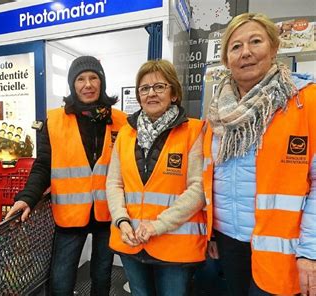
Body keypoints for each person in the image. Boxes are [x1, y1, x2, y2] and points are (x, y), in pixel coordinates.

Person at [203, 13, 316, 296]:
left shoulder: (306, 101)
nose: (246, 53)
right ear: (227, 58)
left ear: (274, 48)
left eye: (256, 41)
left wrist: (311, 251)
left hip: (286, 249)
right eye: (236, 46)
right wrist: (211, 233)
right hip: (229, 242)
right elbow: (209, 179)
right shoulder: (216, 115)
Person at [5, 56, 127, 295]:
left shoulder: (122, 122)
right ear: (72, 84)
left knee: (102, 274)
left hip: (108, 212)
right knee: (61, 278)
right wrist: (27, 197)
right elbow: (43, 166)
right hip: (70, 214)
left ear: (102, 82)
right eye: (80, 79)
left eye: (93, 77)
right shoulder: (54, 121)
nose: (88, 84)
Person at [106, 59, 206, 296]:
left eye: (159, 87)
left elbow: (198, 189)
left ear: (173, 94)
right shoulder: (126, 135)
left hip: (174, 245)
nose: (151, 93)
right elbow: (114, 182)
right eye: (144, 88)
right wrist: (121, 220)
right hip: (130, 241)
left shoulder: (194, 131)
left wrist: (157, 225)